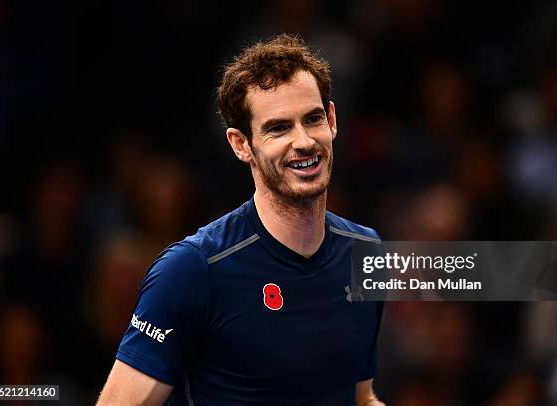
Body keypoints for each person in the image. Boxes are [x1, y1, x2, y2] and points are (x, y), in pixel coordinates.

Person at [97, 34, 385, 406]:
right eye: (278, 128)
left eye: (312, 119)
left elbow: (360, 398)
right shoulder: (192, 269)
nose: (303, 141)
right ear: (240, 144)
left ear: (331, 120)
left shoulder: (366, 251)